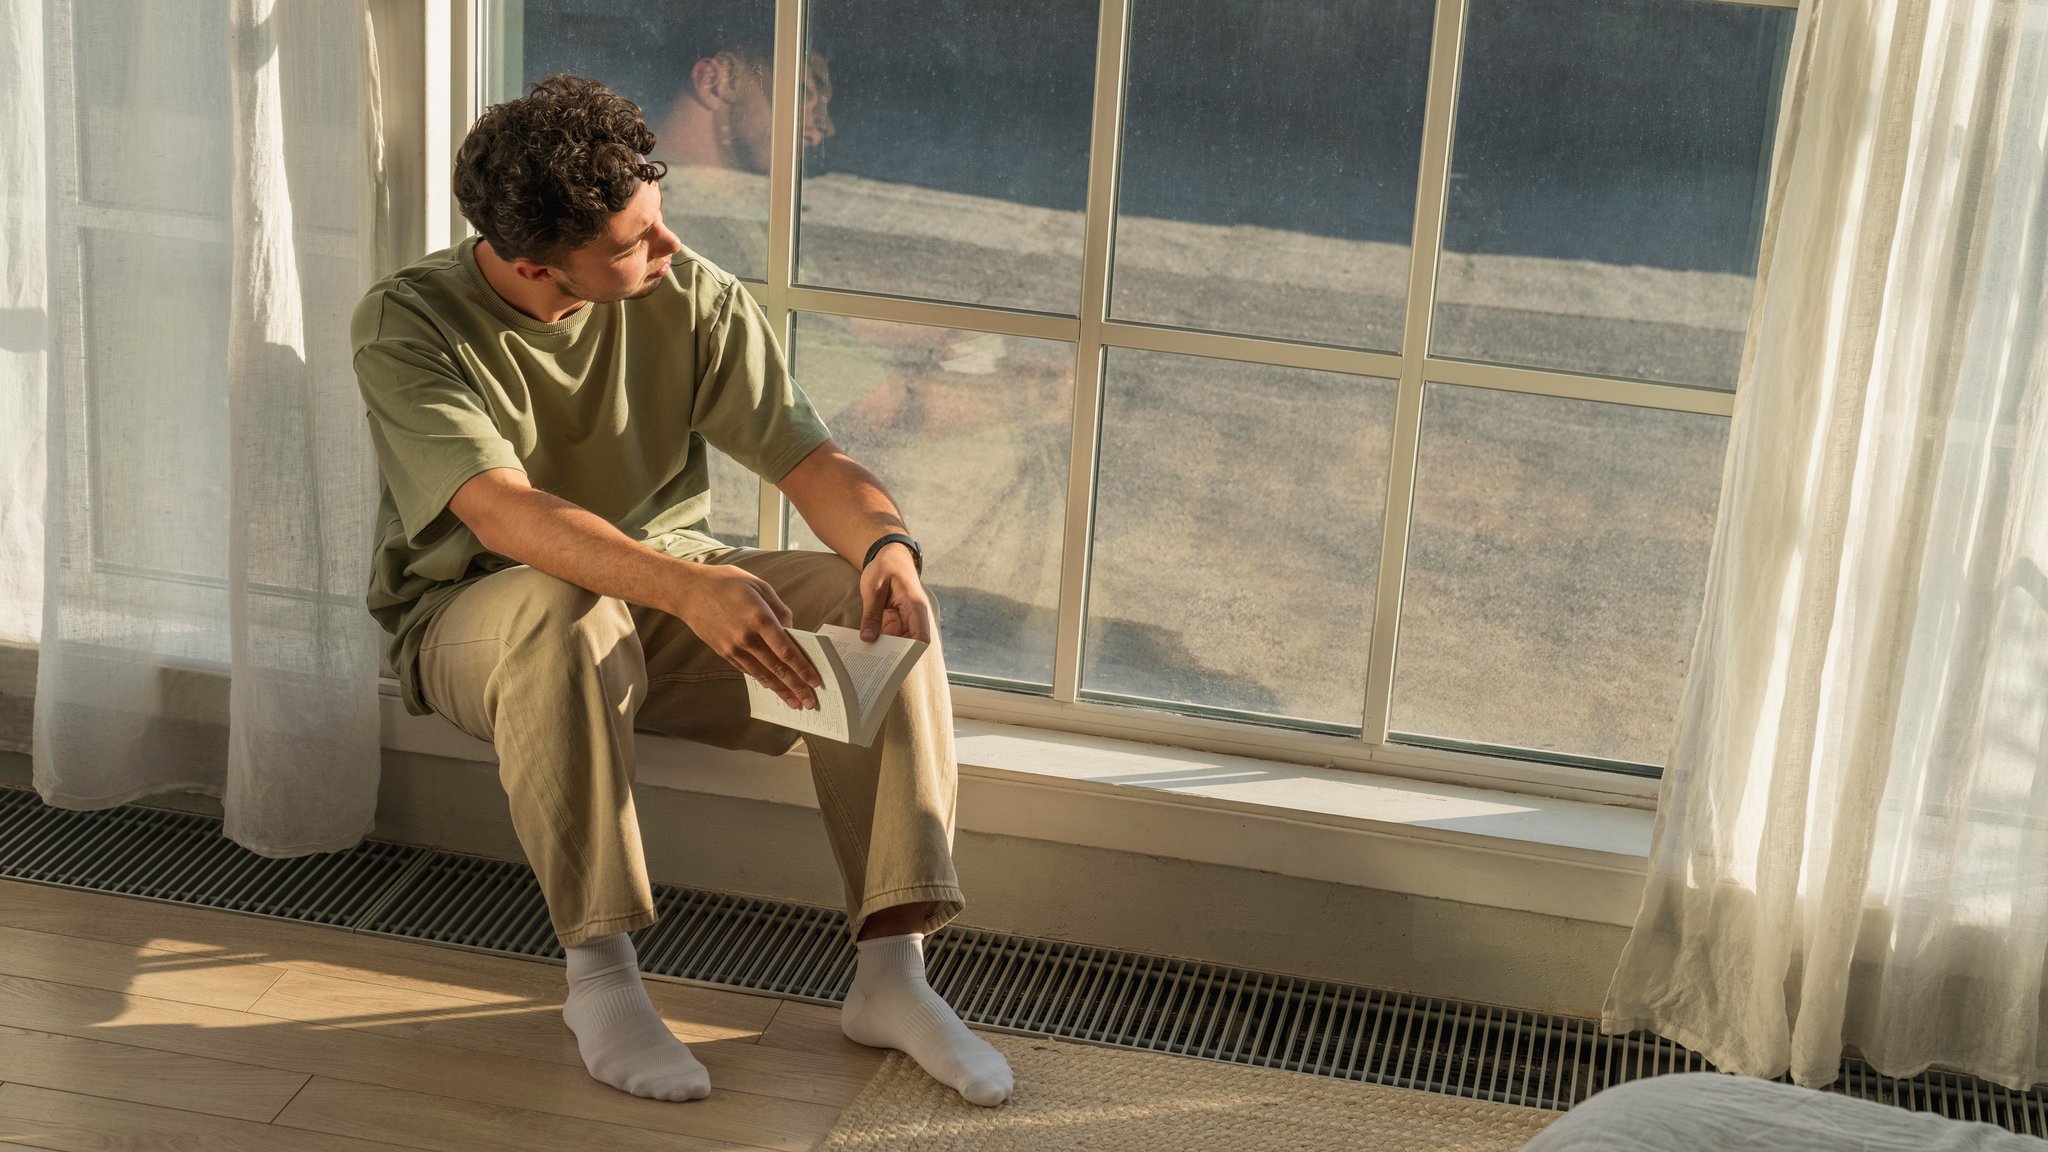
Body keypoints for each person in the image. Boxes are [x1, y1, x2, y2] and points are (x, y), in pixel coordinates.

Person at [350, 74, 1011, 1109]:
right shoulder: (409, 322)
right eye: (632, 243)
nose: (665, 251)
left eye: (657, 222)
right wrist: (688, 587)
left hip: (659, 608)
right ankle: (601, 977)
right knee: (563, 605)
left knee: (862, 605)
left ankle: (892, 975)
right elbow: (503, 515)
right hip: (481, 621)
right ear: (534, 266)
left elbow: (810, 460)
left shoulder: (685, 294)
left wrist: (888, 547)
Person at [646, 18, 834, 279]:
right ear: (713, 80)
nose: (824, 129)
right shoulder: (656, 215)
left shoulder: (745, 203)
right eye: (802, 92)